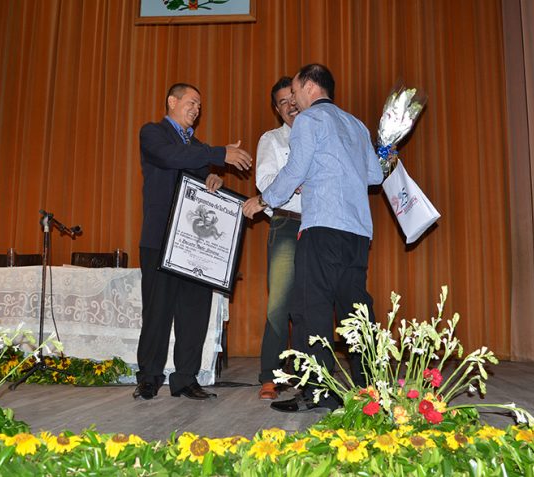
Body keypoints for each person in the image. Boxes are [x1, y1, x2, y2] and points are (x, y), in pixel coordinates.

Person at [242, 64, 383, 412]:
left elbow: (294, 170)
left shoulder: (309, 121)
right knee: (356, 309)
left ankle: (318, 391)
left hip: (321, 227)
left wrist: (263, 201)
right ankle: (368, 390)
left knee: (310, 309)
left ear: (308, 87)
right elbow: (375, 175)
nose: (294, 100)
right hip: (358, 231)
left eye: (294, 91)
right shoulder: (356, 124)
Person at [135, 83, 253, 401]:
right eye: (191, 102)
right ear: (171, 101)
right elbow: (171, 157)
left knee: (194, 311)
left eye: (200, 105)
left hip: (192, 244)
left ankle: (185, 378)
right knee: (157, 311)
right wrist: (219, 154)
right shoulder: (152, 133)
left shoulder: (197, 146)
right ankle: (148, 377)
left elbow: (200, 174)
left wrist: (214, 178)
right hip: (159, 239)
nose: (196, 109)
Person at [255, 76, 301, 400]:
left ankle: (302, 375)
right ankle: (270, 376)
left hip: (318, 225)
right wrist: (294, 179)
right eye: (282, 102)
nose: (289, 106)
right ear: (276, 109)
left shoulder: (319, 136)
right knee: (278, 304)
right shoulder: (271, 139)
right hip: (285, 225)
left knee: (309, 305)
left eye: (292, 99)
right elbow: (265, 183)